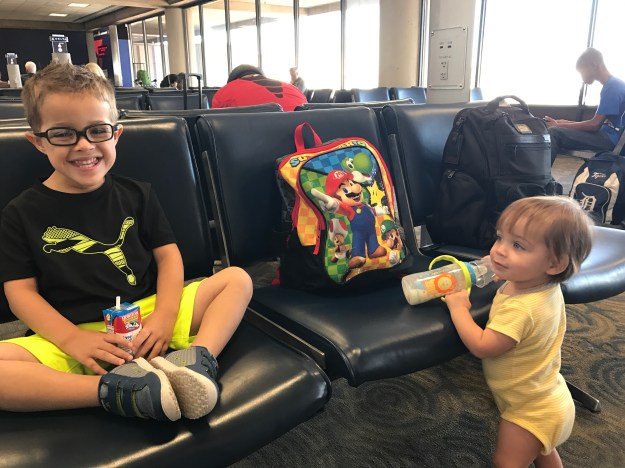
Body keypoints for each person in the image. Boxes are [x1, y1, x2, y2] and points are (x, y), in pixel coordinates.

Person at [0, 62, 253, 421]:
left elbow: (168, 258)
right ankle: (117, 391)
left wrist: (164, 316)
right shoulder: (20, 213)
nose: (84, 145)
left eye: (97, 131)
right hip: (72, 332)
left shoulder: (138, 195)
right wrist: (72, 339)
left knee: (237, 279)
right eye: (63, 133)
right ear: (38, 141)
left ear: (116, 134)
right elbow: (20, 294)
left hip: (148, 314)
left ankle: (195, 361)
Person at [444, 196, 593, 468]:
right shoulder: (542, 284)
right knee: (541, 450)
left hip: (529, 410)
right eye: (500, 237)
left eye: (517, 246)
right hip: (547, 395)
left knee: (507, 462)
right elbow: (524, 279)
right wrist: (504, 269)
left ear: (554, 265)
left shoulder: (522, 309)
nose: (499, 250)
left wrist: (459, 309)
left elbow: (482, 346)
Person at [545, 48, 625, 164]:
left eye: (582, 72)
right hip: (608, 135)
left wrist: (558, 125)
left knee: (554, 132)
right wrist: (566, 123)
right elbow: (598, 123)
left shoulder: (612, 87)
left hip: (611, 140)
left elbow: (594, 125)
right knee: (557, 129)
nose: (582, 77)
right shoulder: (615, 84)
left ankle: (541, 175)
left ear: (594, 65)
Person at [212, 64, 307, 111]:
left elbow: (215, 128)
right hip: (306, 141)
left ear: (232, 81)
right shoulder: (294, 89)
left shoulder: (224, 92)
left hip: (256, 141)